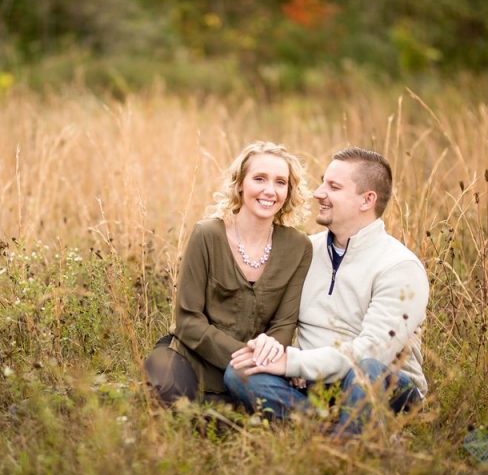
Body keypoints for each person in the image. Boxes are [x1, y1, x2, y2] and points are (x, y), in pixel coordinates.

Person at [225, 147, 429, 435]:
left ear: (366, 200)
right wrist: (279, 354)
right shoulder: (306, 249)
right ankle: (335, 431)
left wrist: (295, 362)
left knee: (366, 371)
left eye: (333, 186)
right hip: (314, 385)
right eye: (323, 182)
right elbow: (279, 320)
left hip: (384, 386)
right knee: (241, 371)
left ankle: (346, 440)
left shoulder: (399, 266)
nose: (318, 193)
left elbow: (372, 351)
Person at [144, 141, 313, 405]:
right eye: (259, 179)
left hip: (253, 368)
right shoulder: (207, 235)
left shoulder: (299, 247)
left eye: (281, 182)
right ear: (240, 184)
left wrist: (265, 356)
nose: (270, 190)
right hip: (194, 358)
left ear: (289, 191)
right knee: (173, 395)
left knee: (247, 410)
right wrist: (246, 354)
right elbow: (188, 320)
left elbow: (284, 324)